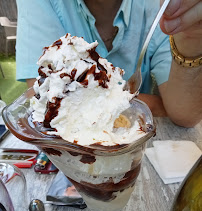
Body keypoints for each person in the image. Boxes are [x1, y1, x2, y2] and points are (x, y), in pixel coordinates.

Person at [16, 0, 202, 127]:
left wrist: (191, 37)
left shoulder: (162, 5)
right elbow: (44, 102)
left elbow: (184, 113)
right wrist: (155, 105)